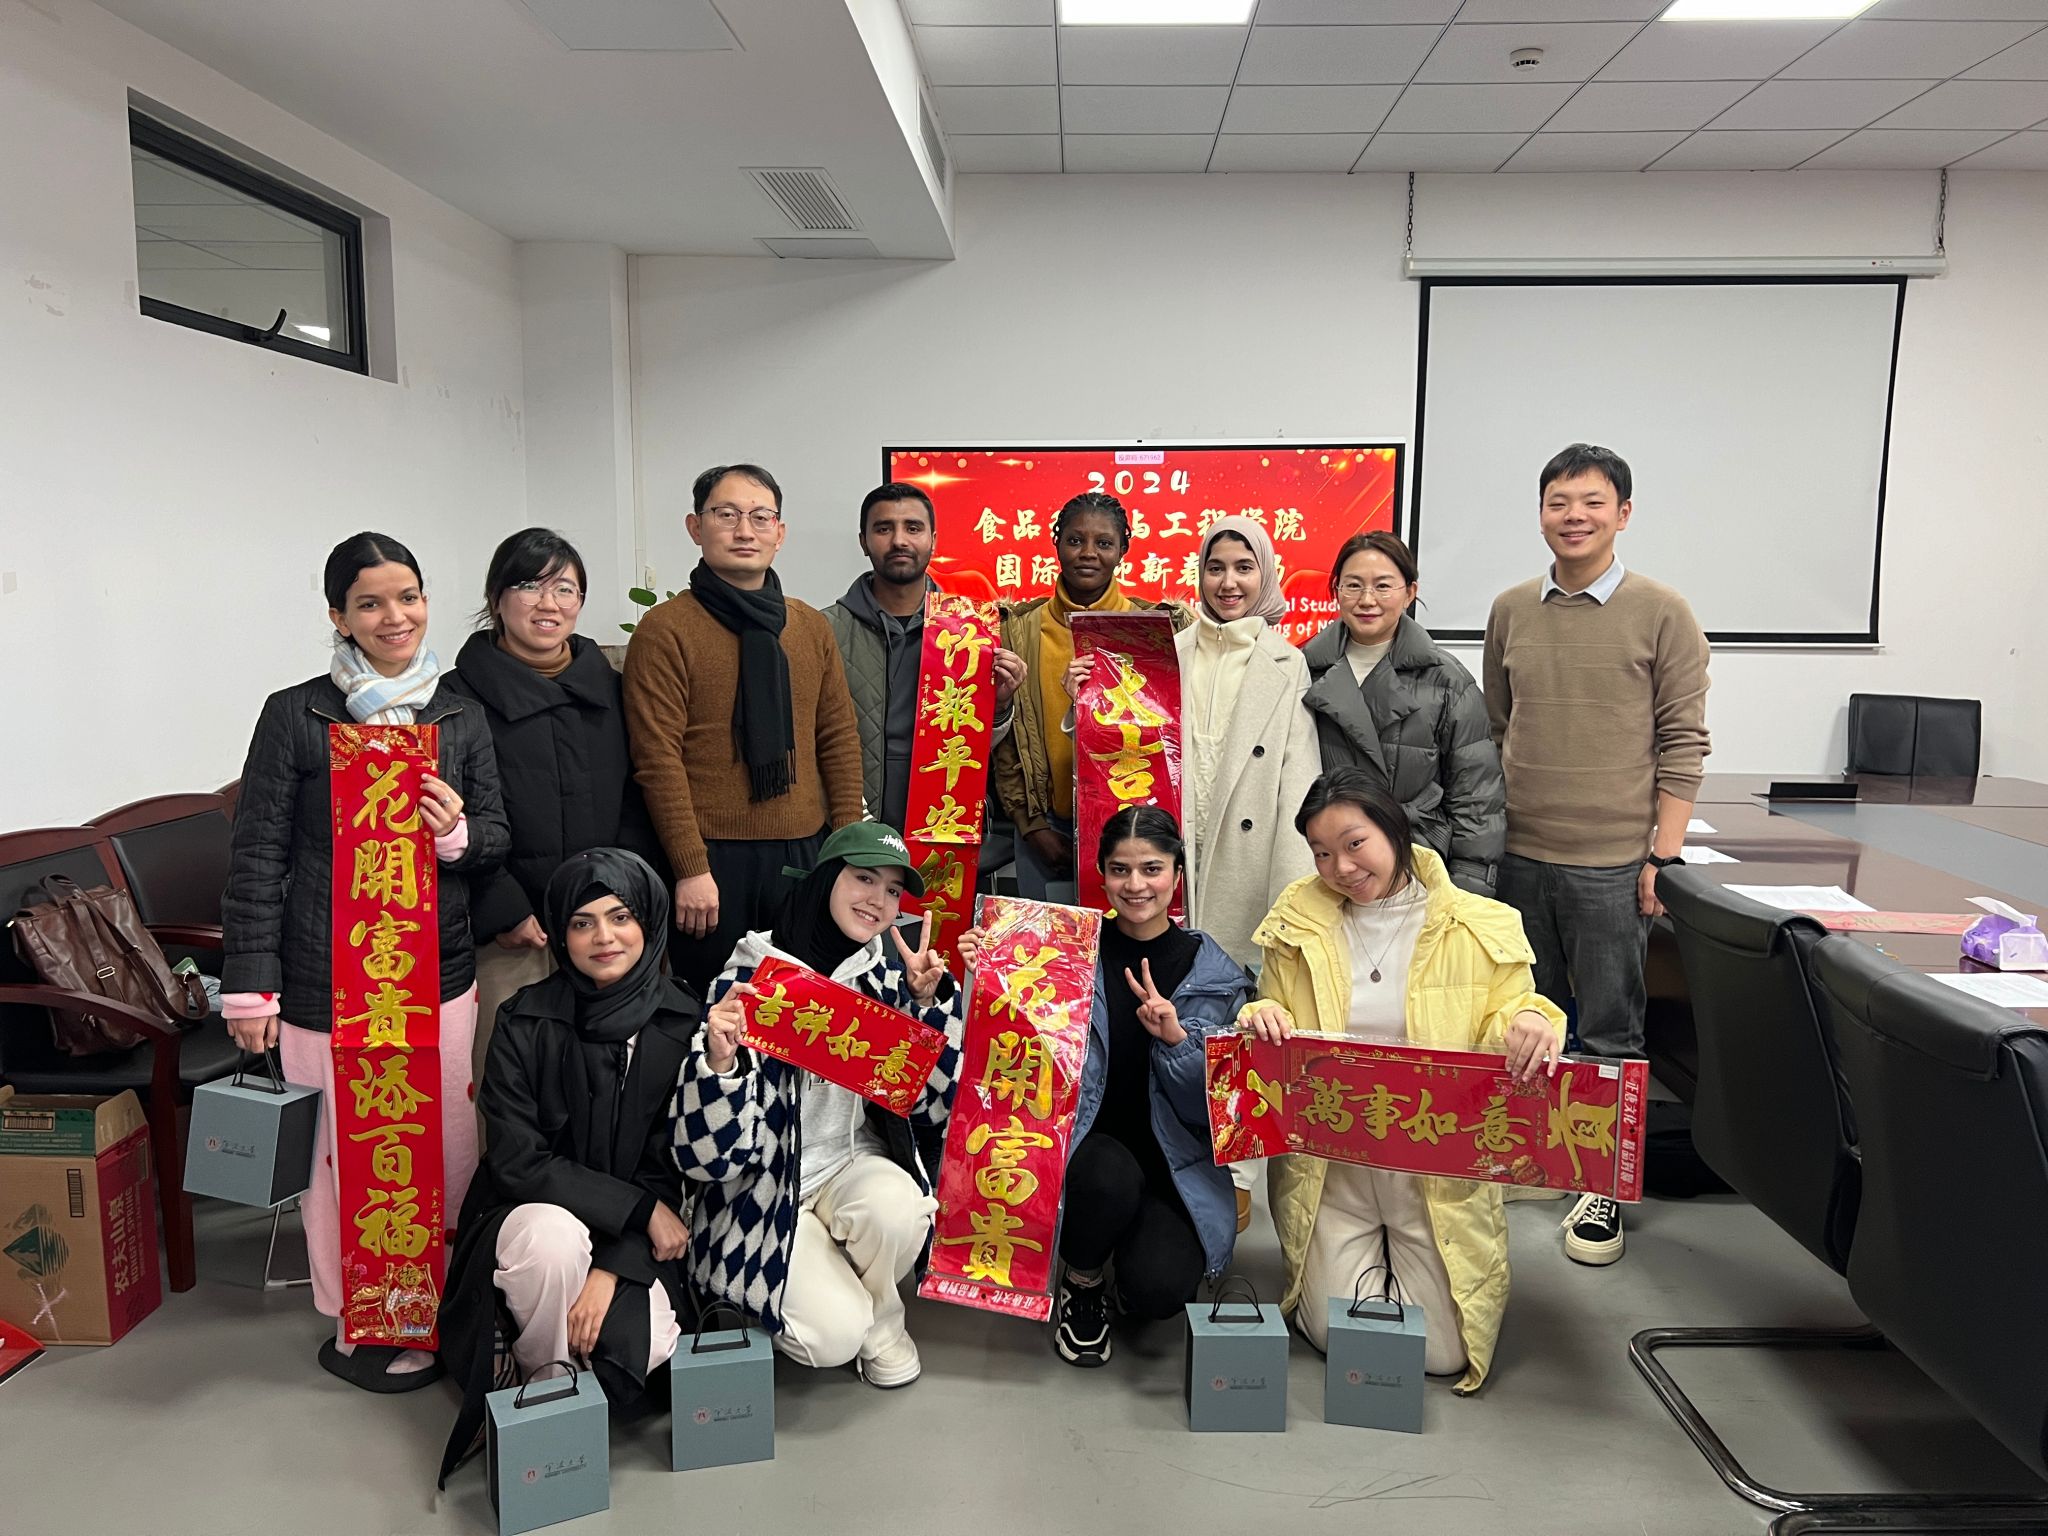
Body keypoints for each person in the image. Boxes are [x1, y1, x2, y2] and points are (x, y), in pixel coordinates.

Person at [221, 531, 509, 1390]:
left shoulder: (456, 715)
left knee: (441, 1152)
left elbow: (497, 836)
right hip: (324, 980)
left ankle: (437, 1313)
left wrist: (456, 833)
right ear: (339, 615)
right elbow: (258, 853)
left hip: (434, 979)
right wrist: (251, 987)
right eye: (371, 603)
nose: (395, 616)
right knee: (342, 1161)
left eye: (408, 597)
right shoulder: (297, 715)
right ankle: (361, 1318)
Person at [1241, 769, 1565, 1394]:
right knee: (1333, 1333)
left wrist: (1530, 1020)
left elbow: (1511, 1012)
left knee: (1443, 1352)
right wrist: (1262, 1014)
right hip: (1335, 1157)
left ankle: (1401, 1260)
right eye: (1321, 853)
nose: (1340, 867)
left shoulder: (1479, 922)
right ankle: (1372, 1260)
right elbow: (1274, 1008)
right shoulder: (1297, 922)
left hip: (1431, 1159)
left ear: (1393, 829)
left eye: (1354, 843)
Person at [1483, 443, 1710, 1266]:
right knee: (1528, 1020)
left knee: (1611, 1032)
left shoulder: (1663, 611)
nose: (1573, 516)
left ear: (1623, 513)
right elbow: (1498, 727)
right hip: (1519, 855)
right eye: (1558, 502)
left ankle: (1604, 1186)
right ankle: (1539, 1159)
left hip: (1613, 863)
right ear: (1541, 512)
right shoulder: (1511, 608)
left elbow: (1684, 740)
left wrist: (1662, 857)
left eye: (1591, 502)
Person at [672, 822, 965, 1388]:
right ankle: (816, 1300)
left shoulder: (888, 979)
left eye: (892, 890)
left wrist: (928, 1007)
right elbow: (707, 1160)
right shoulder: (749, 978)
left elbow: (935, 1110)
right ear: (827, 877)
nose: (877, 900)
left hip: (849, 1166)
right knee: (832, 1335)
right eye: (864, 879)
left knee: (900, 1209)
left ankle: (883, 1319)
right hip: (759, 1189)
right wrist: (719, 1065)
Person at [437, 849, 697, 1486]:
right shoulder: (525, 1019)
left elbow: (675, 1168)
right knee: (551, 1246)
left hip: (638, 1238)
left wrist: (613, 1267)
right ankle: (547, 1384)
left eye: (620, 917)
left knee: (644, 1345)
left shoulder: (683, 1021)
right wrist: (639, 1210)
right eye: (582, 923)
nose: (604, 937)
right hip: (531, 1213)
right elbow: (519, 1160)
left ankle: (564, 1375)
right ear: (559, 932)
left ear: (649, 921)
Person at [958, 807, 1250, 1368]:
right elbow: (1003, 1056)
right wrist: (984, 973)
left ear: (1177, 874)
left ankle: (1126, 1257)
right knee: (1107, 1177)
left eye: (1152, 868)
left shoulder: (1214, 975)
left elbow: (1214, 1116)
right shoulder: (1061, 951)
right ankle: (1083, 1277)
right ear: (1102, 874)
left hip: (1173, 1162)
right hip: (1084, 1149)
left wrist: (1176, 1041)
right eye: (1120, 870)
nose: (1136, 885)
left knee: (1160, 1292)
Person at [623, 463, 865, 1000]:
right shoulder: (665, 630)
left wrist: (847, 849)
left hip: (804, 849)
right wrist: (690, 868)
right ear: (695, 527)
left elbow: (837, 738)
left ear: (780, 533)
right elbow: (657, 759)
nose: (744, 531)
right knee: (713, 1008)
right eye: (726, 514)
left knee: (803, 1006)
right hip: (712, 860)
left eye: (760, 517)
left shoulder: (809, 626)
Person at [446, 528, 665, 1084]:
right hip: (512, 931)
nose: (549, 604)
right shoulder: (453, 701)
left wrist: (620, 897)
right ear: (496, 597)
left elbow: (638, 797)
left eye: (565, 589)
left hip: (606, 922)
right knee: (508, 1075)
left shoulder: (613, 689)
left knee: (608, 1077)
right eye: (529, 586)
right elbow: (451, 821)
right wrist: (502, 909)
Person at [990, 490, 1189, 901]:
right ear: (1056, 543)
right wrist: (1031, 826)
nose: (1088, 553)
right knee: (1051, 941)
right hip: (1047, 827)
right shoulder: (1019, 629)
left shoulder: (1155, 628)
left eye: (1104, 543)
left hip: (1137, 829)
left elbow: (1176, 741)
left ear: (1123, 550)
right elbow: (1009, 742)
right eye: (1075, 540)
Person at [1301, 530, 1504, 897]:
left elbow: (1476, 798)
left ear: (1410, 592)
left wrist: (1467, 889)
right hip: (1326, 868)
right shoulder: (1301, 671)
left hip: (1417, 866)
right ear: (1336, 591)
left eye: (1383, 586)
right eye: (1353, 586)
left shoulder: (1447, 680)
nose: (1367, 600)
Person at [823, 482, 1026, 834]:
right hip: (852, 830)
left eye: (913, 528)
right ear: (863, 541)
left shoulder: (971, 631)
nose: (899, 540)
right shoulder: (825, 630)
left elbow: (975, 746)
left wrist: (1000, 704)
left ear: (933, 540)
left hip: (943, 824)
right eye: (883, 529)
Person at [1172, 516, 1321, 962]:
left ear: (1266, 574)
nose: (1228, 583)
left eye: (1244, 567)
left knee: (1236, 985)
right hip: (1174, 854)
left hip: (1246, 864)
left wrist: (1292, 900)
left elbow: (1298, 786)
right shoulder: (1170, 650)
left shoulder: (1288, 662)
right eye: (1215, 568)